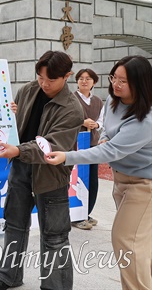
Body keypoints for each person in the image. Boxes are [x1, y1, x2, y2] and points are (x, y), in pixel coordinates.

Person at [46, 55, 152, 290]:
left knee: (127, 242)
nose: (116, 84)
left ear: (141, 82)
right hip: (122, 180)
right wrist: (103, 137)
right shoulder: (115, 102)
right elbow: (107, 132)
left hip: (144, 185)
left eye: (123, 81)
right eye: (114, 77)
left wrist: (67, 157)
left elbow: (110, 152)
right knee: (140, 244)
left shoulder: (145, 119)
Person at [0, 50, 83, 290]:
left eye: (50, 79)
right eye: (40, 77)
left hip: (52, 176)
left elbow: (51, 145)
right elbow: (15, 128)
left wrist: (18, 151)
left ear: (67, 76)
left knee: (55, 234)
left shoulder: (72, 108)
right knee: (14, 224)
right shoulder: (28, 90)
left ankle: (55, 286)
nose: (44, 83)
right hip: (20, 169)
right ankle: (9, 275)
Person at [72, 68, 105, 230]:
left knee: (92, 180)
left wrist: (96, 124)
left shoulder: (98, 100)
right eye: (81, 78)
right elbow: (67, 118)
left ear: (94, 82)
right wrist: (82, 122)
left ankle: (86, 212)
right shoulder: (71, 98)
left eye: (88, 78)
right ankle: (76, 215)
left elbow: (102, 119)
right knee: (78, 180)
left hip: (93, 145)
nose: (84, 81)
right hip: (76, 145)